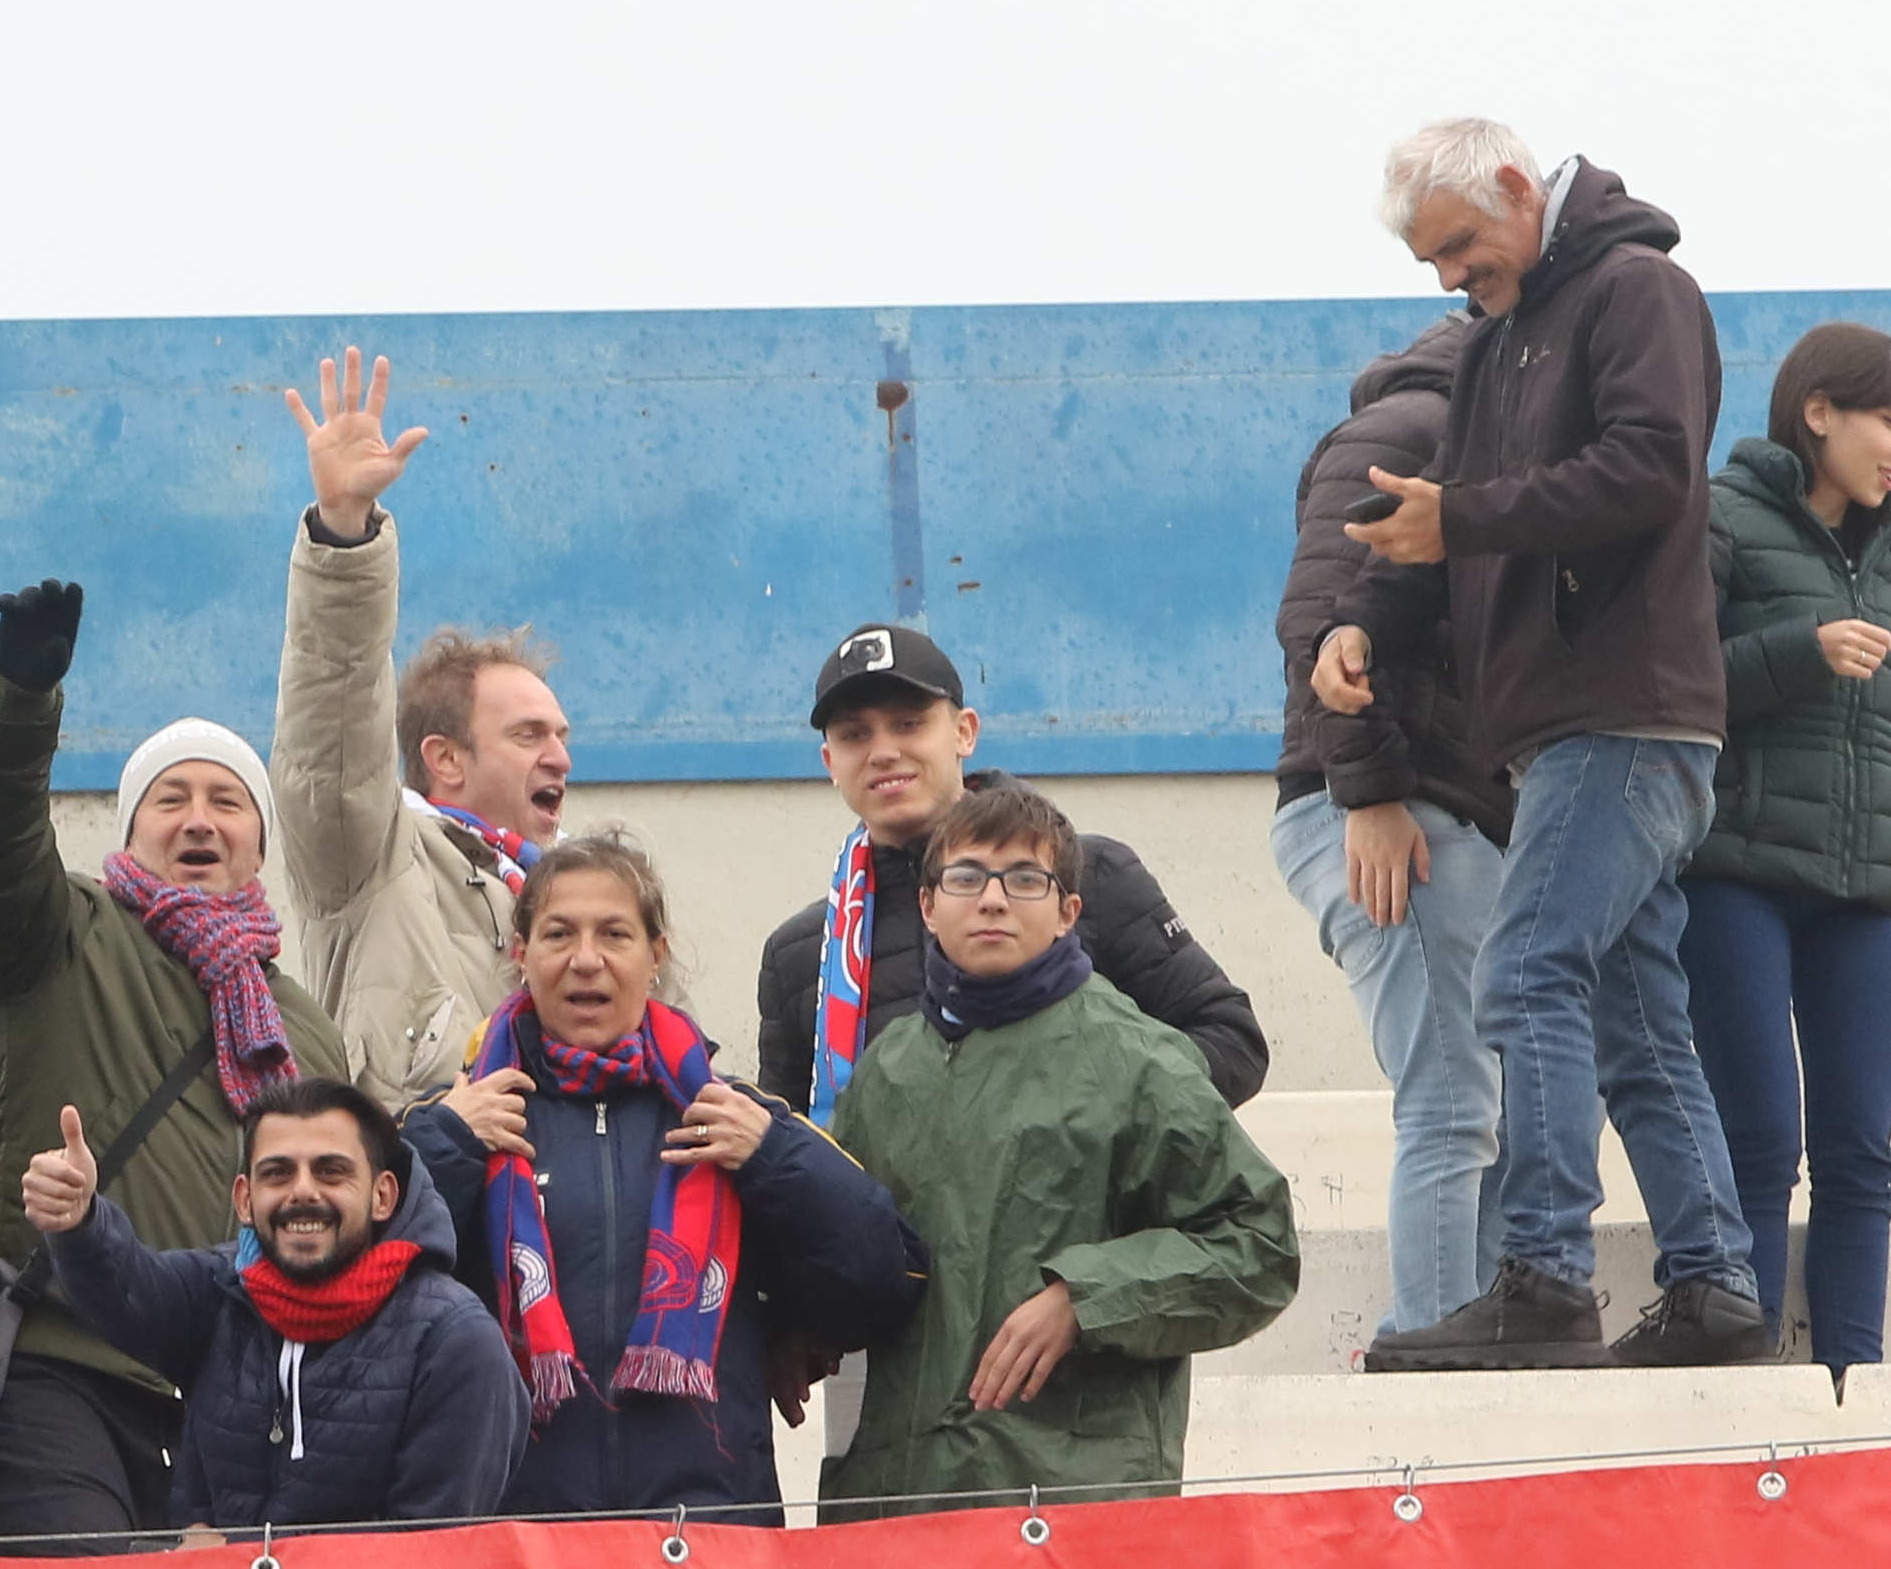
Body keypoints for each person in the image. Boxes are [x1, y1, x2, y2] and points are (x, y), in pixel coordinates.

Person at [1317, 120, 1766, 1369]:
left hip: (1621, 713)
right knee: (1633, 1019)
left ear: (1519, 190)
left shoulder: (1639, 292)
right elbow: (1439, 531)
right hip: (1567, 730)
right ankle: (1714, 1286)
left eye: (1459, 245)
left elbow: (1652, 469)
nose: (1450, 276)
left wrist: (1459, 521)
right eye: (1433, 262)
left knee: (1521, 972)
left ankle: (1544, 1280)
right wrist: (1358, 620)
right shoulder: (1493, 345)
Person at [0, 576, 338, 1549]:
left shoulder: (304, 1031)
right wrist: (18, 693)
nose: (199, 819)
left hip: (229, 1397)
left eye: (226, 802)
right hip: (55, 1359)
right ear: (130, 830)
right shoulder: (61, 934)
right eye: (170, 798)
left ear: (256, 842)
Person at [401, 832, 923, 1526]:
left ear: (655, 955)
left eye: (614, 933)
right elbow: (364, 1277)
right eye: (559, 933)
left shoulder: (729, 1114)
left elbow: (885, 1275)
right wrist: (445, 1142)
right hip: (518, 1546)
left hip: (708, 1537)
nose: (586, 959)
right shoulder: (465, 1115)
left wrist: (772, 1155)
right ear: (520, 953)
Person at [819, 783, 1297, 1511]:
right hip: (904, 1497)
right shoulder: (889, 1070)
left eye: (1025, 879)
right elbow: (840, 1244)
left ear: (1068, 911)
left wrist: (1085, 1297)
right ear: (927, 905)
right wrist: (796, 1332)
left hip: (1074, 1501)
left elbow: (1259, 1246)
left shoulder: (1137, 1059)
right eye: (967, 876)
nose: (992, 899)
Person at [757, 622, 1267, 1114]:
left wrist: (1092, 1125)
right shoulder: (802, 956)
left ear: (964, 732)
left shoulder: (1093, 874)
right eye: (854, 735)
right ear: (829, 762)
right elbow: (790, 1145)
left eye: (908, 724)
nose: (884, 752)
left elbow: (1230, 1040)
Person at [1271, 314, 1510, 1341]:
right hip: (1383, 805)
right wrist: (1368, 793)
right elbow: (1321, 618)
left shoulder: (1495, 453)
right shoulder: (1410, 428)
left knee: (1499, 1100)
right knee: (1451, 1095)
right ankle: (1430, 1344)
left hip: (1447, 803)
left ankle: (1482, 1334)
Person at [21, 1071, 522, 1532]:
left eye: (331, 1172)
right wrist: (80, 1220)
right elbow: (127, 1290)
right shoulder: (223, 1292)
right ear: (243, 1199)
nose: (302, 1192)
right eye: (278, 1173)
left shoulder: (457, 1341)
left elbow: (429, 1559)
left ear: (383, 1196)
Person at [269, 346, 574, 1102]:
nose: (561, 758)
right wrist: (344, 533)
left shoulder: (584, 893)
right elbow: (332, 726)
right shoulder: (370, 860)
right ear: (445, 758)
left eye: (562, 735)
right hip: (418, 1213)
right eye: (529, 735)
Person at [1681, 321, 1891, 1380]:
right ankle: (1747, 1397)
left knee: (1866, 1150)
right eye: (1884, 417)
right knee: (1761, 1140)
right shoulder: (1721, 516)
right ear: (1819, 413)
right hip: (1737, 875)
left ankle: (1854, 1398)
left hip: (1866, 890)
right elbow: (1665, 681)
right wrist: (1795, 655)